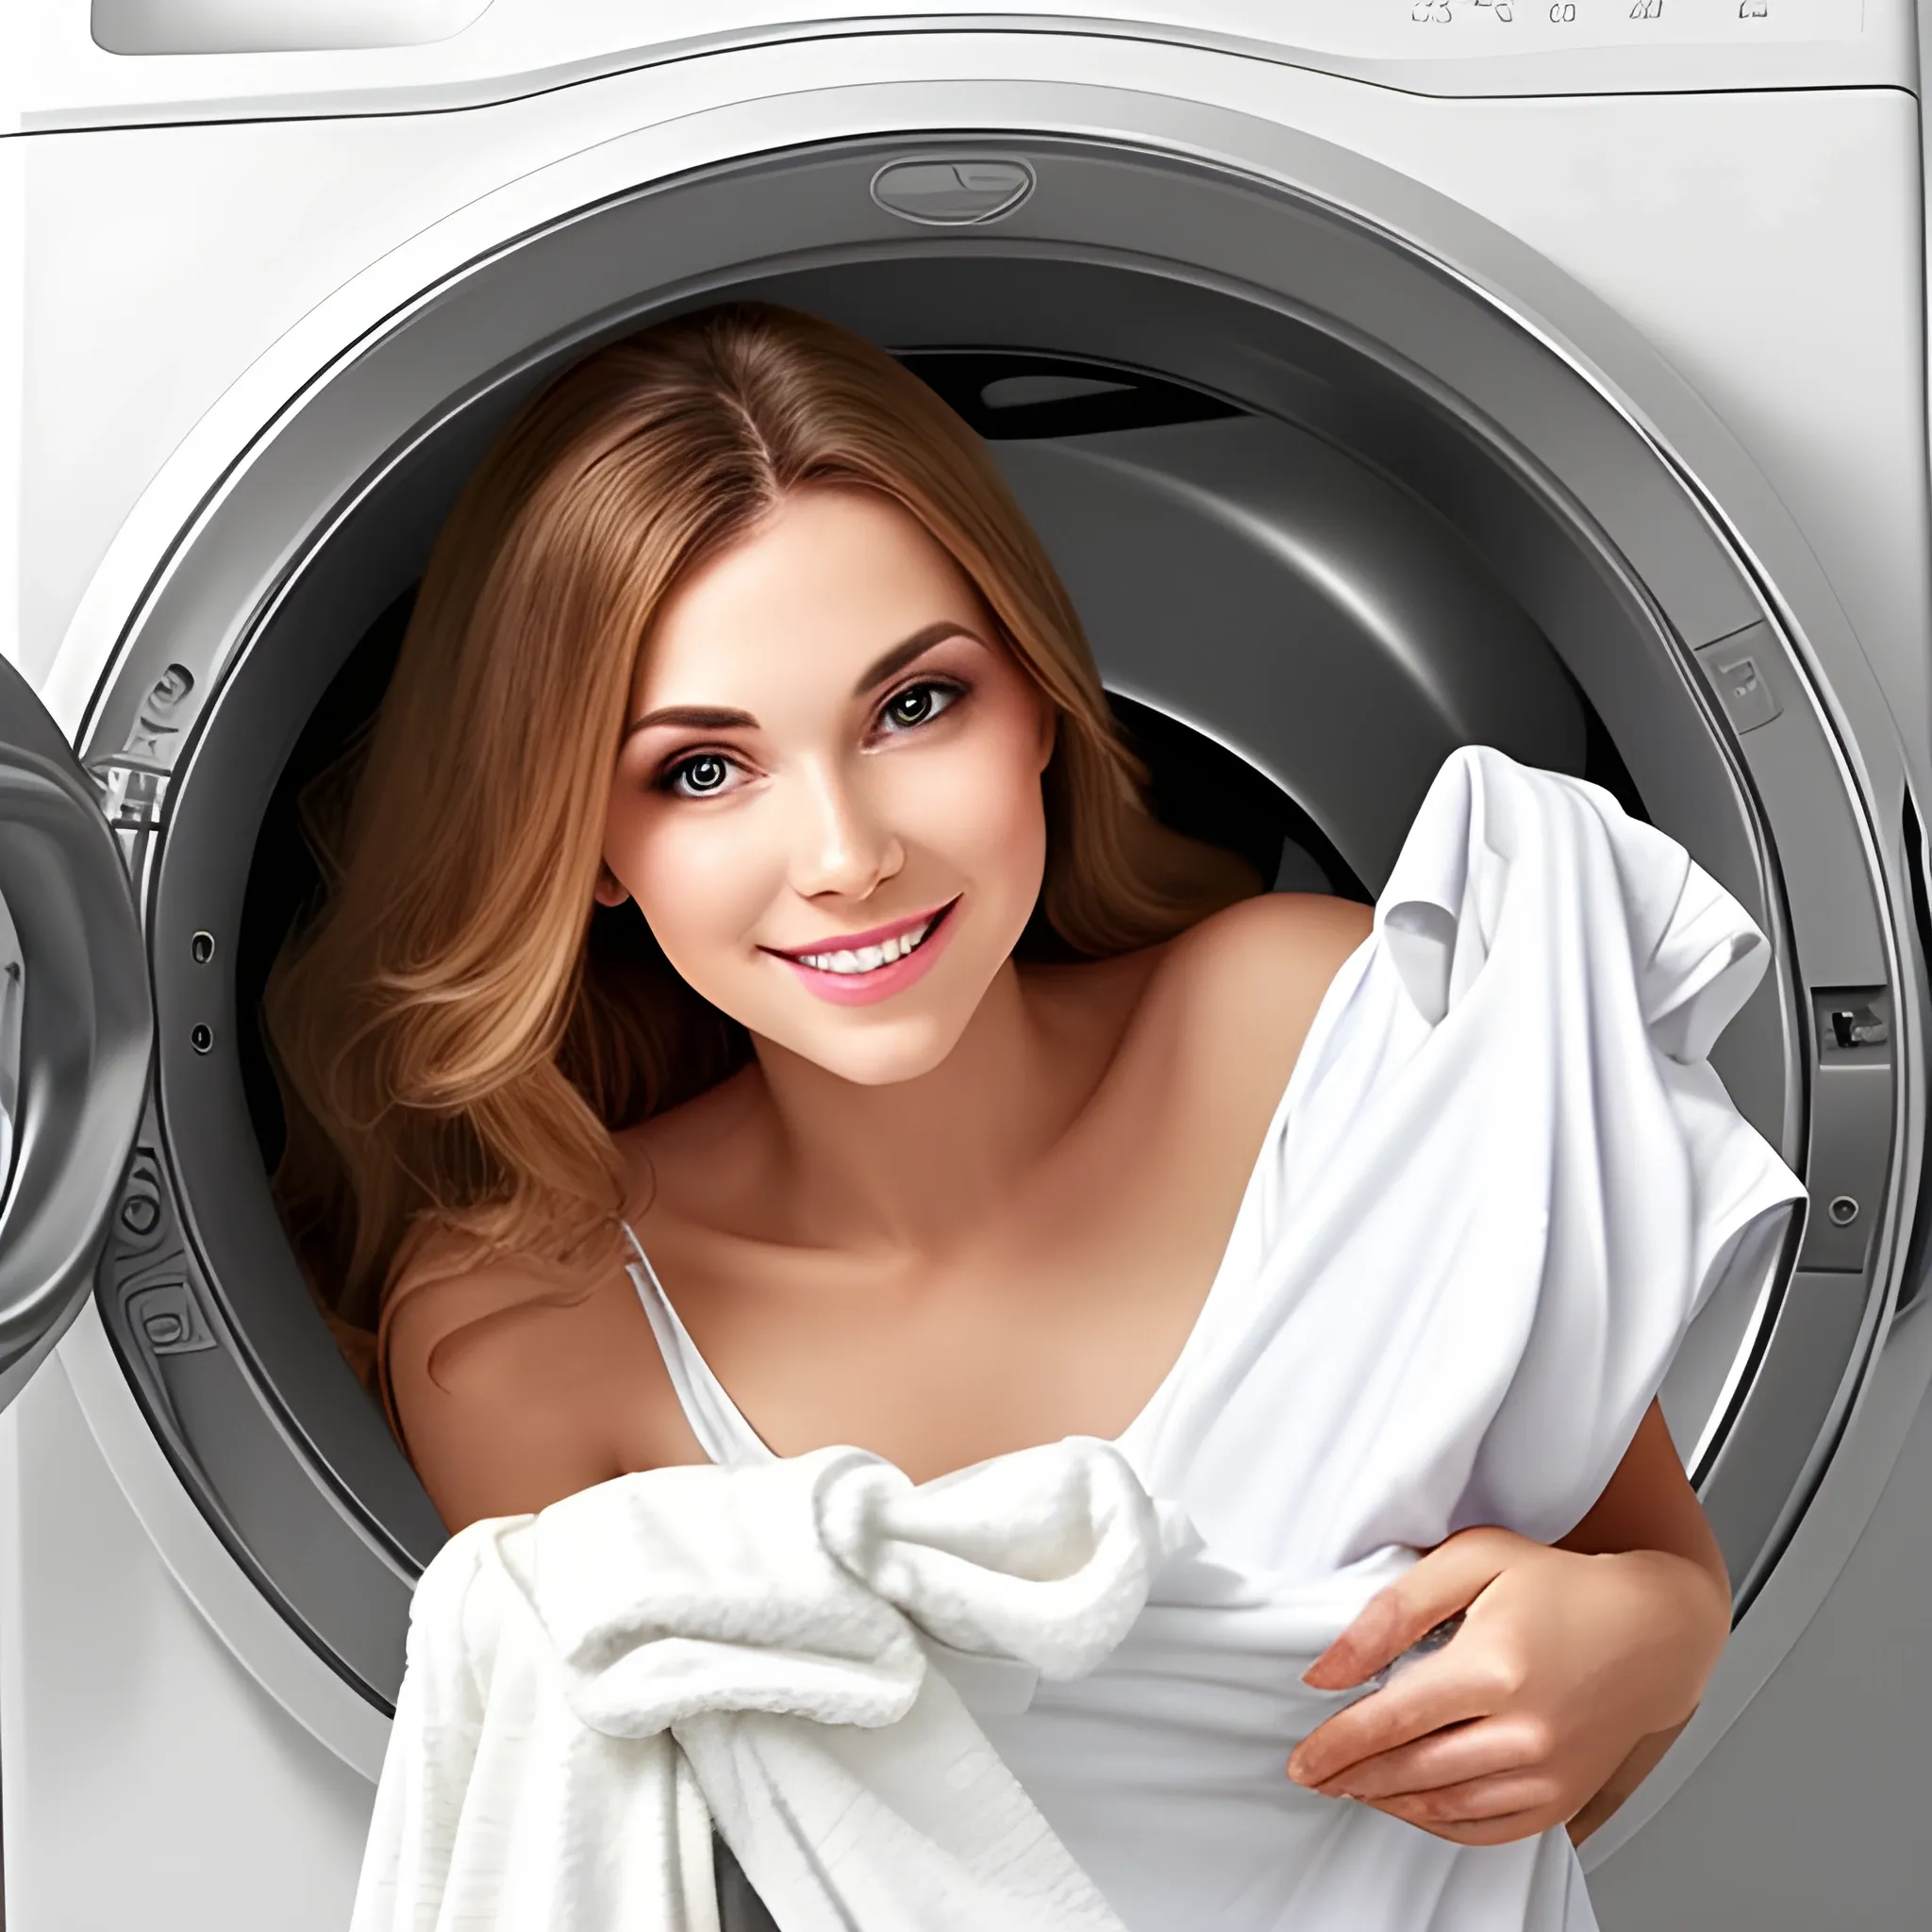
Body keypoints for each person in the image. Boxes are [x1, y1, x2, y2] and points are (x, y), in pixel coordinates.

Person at [265, 302, 1776, 1923]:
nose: (846, 852)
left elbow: (1654, 1584)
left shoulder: (1320, 1029)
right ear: (591, 847)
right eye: (703, 772)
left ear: (1041, 705)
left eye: (914, 708)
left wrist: (1648, 1642)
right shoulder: (527, 1332)